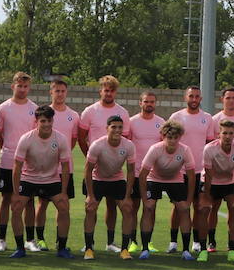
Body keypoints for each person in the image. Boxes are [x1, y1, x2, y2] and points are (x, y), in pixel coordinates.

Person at [10, 106, 75, 259]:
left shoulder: (60, 139)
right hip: (29, 178)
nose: (46, 124)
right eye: (43, 121)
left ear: (53, 121)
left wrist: (64, 192)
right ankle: (20, 248)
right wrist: (16, 193)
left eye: (49, 121)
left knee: (64, 207)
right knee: (17, 207)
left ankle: (62, 248)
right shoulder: (26, 139)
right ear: (36, 122)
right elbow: (17, 167)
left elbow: (66, 167)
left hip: (51, 179)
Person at [79, 75, 130, 252]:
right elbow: (81, 137)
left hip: (114, 170)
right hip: (95, 168)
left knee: (112, 205)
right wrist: (91, 157)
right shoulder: (90, 111)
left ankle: (110, 243)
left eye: (112, 90)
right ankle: (89, 244)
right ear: (100, 91)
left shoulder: (123, 113)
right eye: (106, 90)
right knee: (91, 205)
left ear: (116, 92)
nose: (109, 93)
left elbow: (125, 139)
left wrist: (115, 160)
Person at [138, 122, 198, 260]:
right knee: (149, 208)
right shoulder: (155, 149)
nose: (172, 141)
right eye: (169, 137)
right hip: (154, 179)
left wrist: (189, 201)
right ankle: (145, 248)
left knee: (184, 209)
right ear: (163, 137)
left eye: (176, 138)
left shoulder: (185, 150)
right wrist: (145, 200)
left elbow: (191, 176)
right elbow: (142, 175)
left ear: (180, 137)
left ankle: (185, 250)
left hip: (175, 180)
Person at [201, 89, 234, 251]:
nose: (231, 100)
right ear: (222, 99)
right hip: (213, 177)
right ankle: (211, 242)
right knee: (212, 207)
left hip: (233, 175)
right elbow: (209, 144)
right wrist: (206, 194)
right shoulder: (214, 120)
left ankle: (233, 245)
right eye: (228, 97)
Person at [34, 78, 81, 251]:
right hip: (45, 168)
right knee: (42, 203)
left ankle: (60, 241)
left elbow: (73, 141)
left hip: (65, 168)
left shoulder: (73, 115)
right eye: (57, 91)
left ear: (66, 92)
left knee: (63, 204)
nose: (60, 94)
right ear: (51, 92)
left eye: (62, 91)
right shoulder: (44, 113)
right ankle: (40, 239)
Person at [0, 72, 36, 253]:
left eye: (25, 86)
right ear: (13, 86)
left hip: (28, 163)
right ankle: (1, 239)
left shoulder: (34, 109)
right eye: (19, 86)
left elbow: (35, 136)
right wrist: (9, 149)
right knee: (6, 198)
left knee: (29, 200)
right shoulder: (3, 109)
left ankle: (30, 240)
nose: (22, 89)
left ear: (29, 88)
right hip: (8, 161)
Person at [83, 115, 137, 260]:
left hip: (117, 179)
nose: (117, 130)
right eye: (114, 127)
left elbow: (131, 171)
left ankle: (124, 250)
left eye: (120, 127)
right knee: (90, 209)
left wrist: (127, 197)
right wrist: (90, 196)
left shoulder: (128, 145)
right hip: (98, 179)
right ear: (107, 128)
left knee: (127, 209)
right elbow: (88, 170)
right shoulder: (97, 145)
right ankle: (89, 248)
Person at [167, 85, 213, 253]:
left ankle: (196, 241)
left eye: (197, 96)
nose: (194, 99)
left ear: (200, 99)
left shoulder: (207, 118)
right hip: (180, 171)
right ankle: (173, 241)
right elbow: (167, 141)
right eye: (191, 96)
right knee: (178, 206)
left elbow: (209, 143)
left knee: (199, 207)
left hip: (200, 170)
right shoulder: (176, 117)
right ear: (185, 97)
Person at [201, 120, 234, 262]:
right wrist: (206, 197)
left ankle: (232, 249)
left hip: (229, 182)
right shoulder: (209, 149)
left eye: (231, 133)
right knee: (206, 208)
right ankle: (206, 246)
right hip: (211, 181)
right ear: (219, 134)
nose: (228, 136)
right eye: (225, 133)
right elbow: (208, 174)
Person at [124, 90, 165, 253]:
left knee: (150, 208)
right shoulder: (132, 122)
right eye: (146, 101)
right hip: (135, 173)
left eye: (152, 101)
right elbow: (126, 145)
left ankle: (148, 241)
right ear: (140, 103)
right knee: (133, 207)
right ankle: (133, 241)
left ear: (155, 104)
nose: (149, 104)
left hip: (153, 175)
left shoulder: (161, 122)